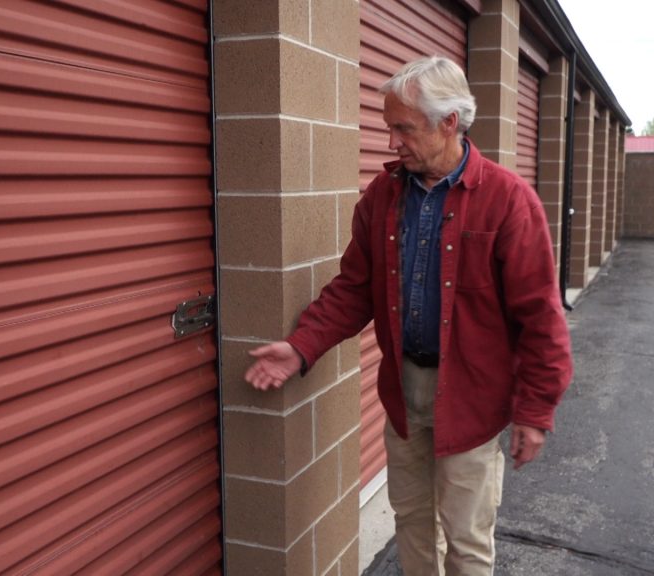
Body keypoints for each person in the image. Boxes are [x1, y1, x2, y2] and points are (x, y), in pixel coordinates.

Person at [244, 56, 573, 576]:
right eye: (389, 126)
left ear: (448, 122)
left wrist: (536, 410)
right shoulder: (383, 197)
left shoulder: (509, 202)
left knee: (466, 540)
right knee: (413, 525)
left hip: (472, 397)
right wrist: (301, 345)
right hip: (404, 394)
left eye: (403, 127)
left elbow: (542, 318)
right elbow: (353, 289)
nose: (392, 140)